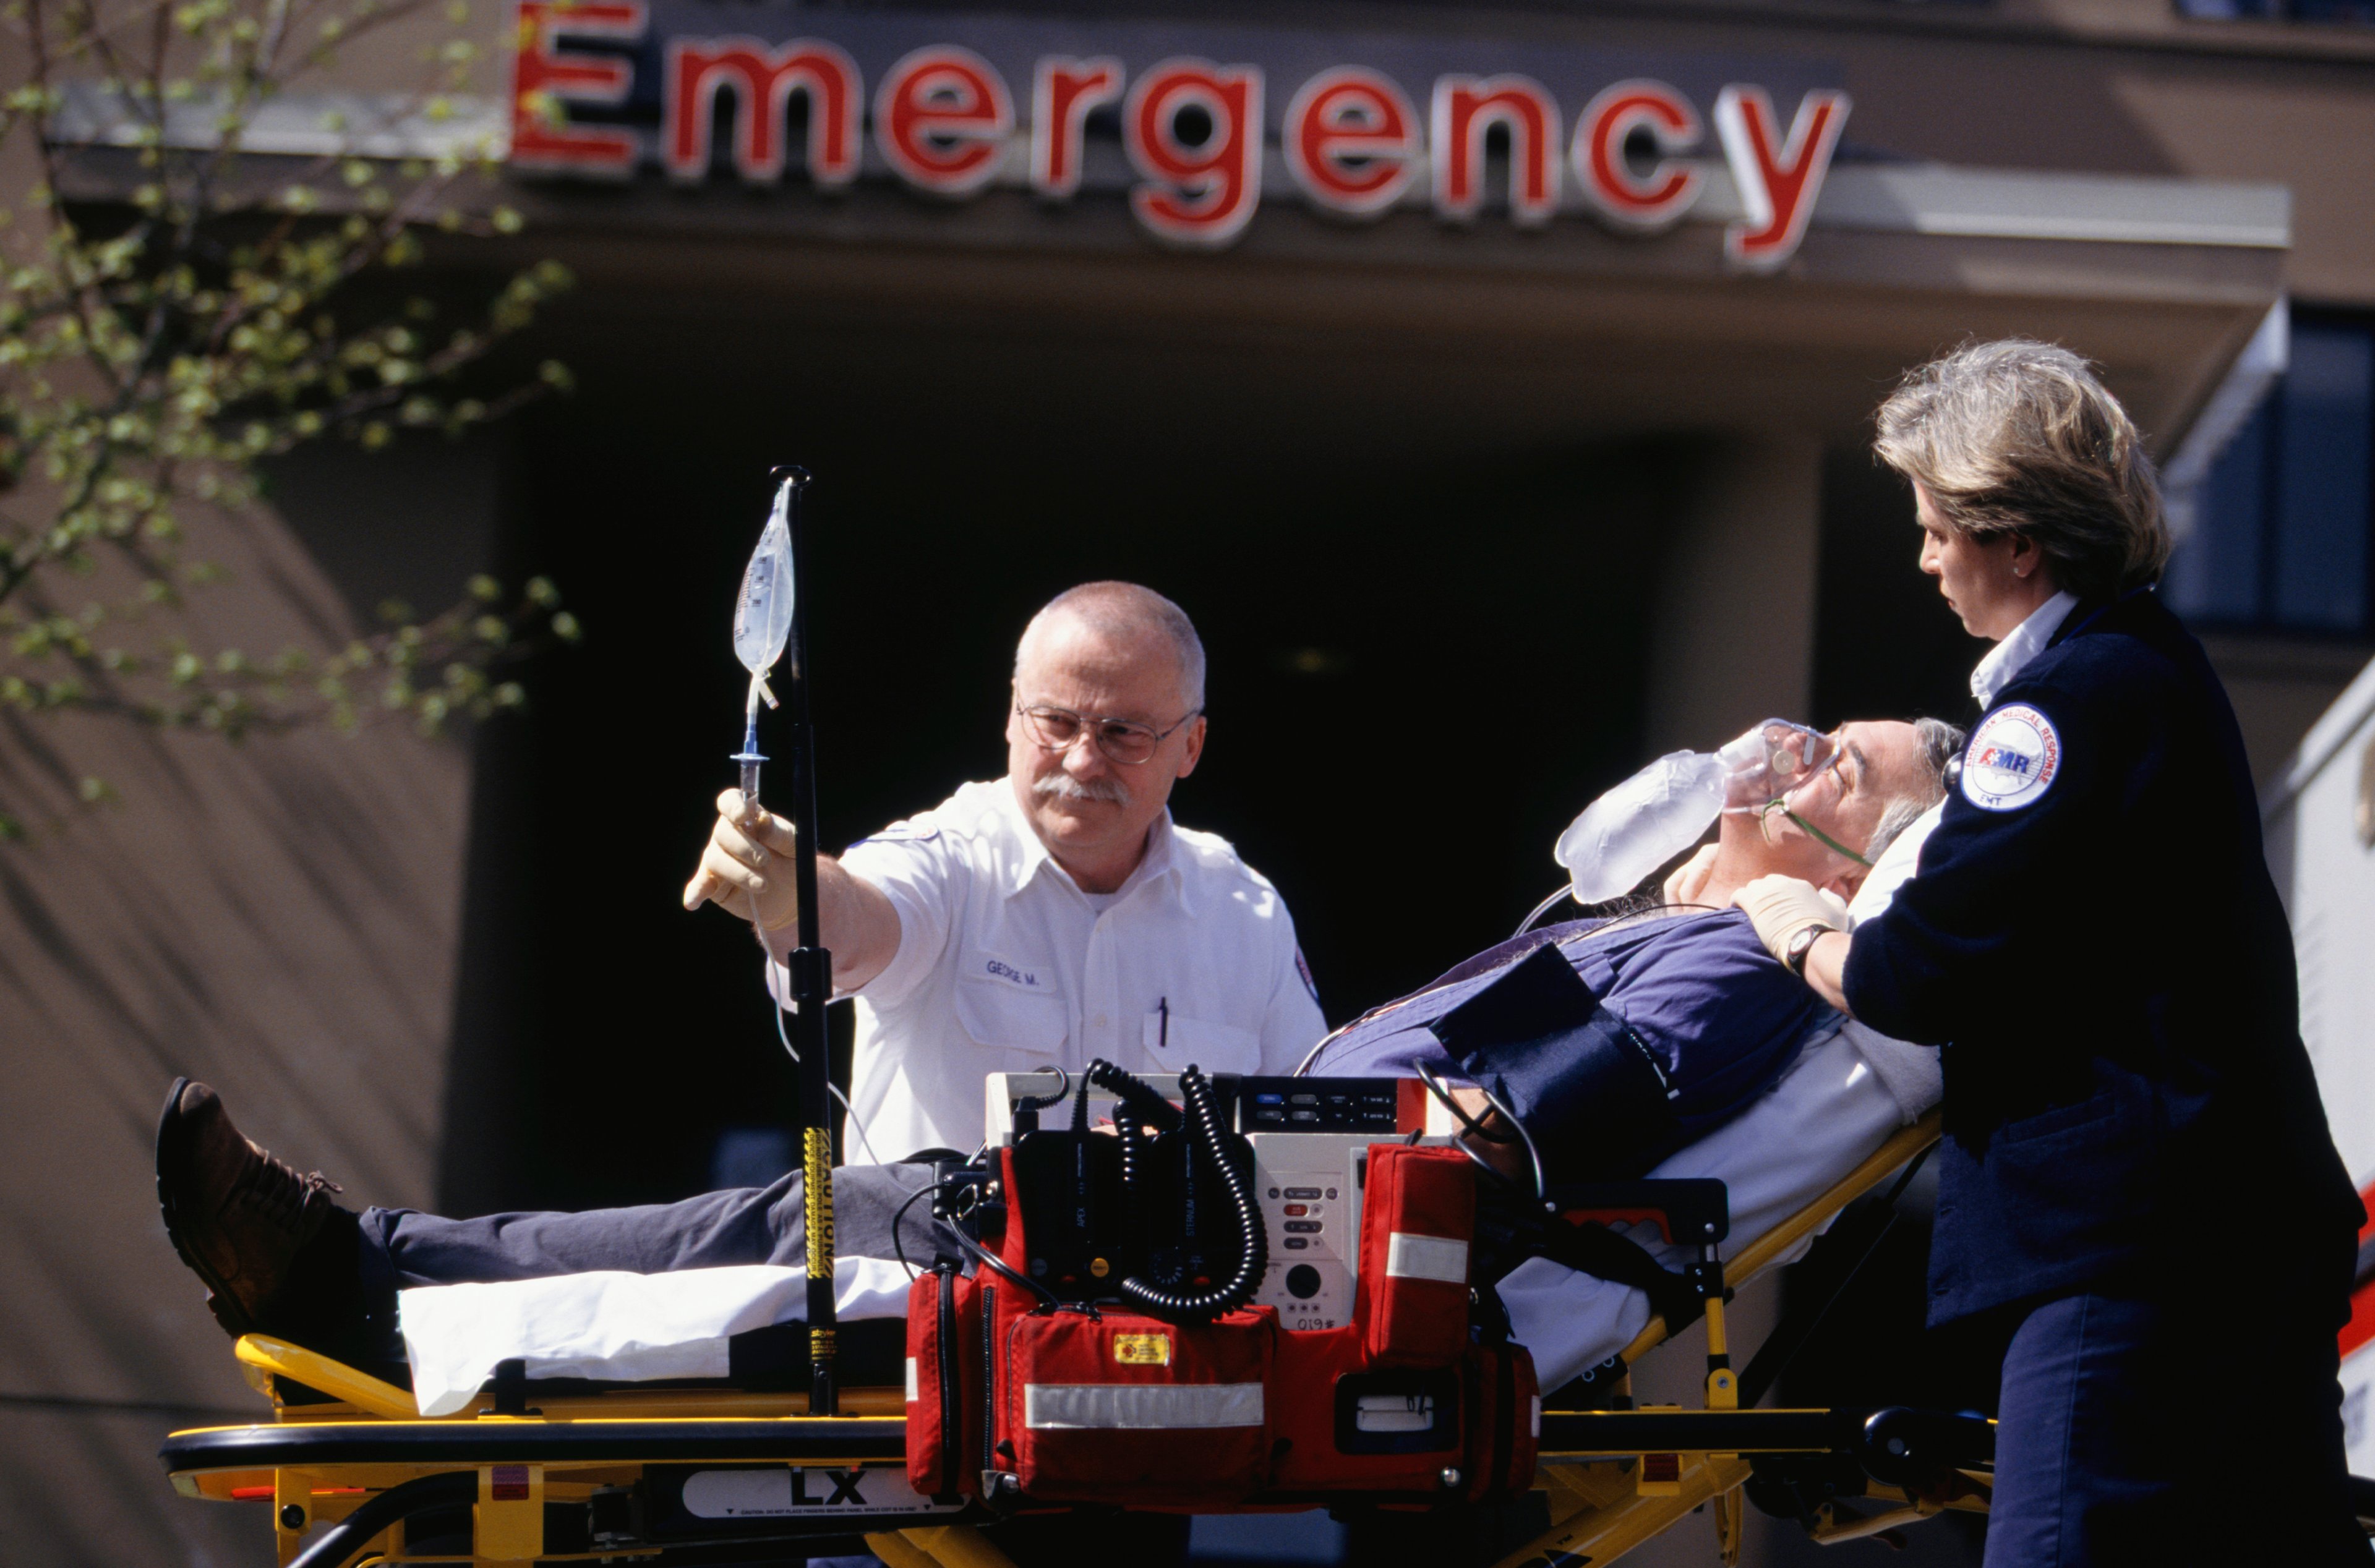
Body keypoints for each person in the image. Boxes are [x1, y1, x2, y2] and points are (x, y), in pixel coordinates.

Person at [1731, 341, 2369, 1566]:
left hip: (2134, 1254)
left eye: (1934, 527)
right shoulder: (2148, 673)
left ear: (2016, 538)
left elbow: (1907, 971)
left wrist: (1787, 916)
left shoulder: (2064, 707)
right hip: (2230, 1238)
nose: (1923, 559)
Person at [1303, 717, 1961, 1389]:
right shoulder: (1665, 930)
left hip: (1331, 1227)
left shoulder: (1741, 967)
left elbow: (1513, 1127)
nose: (1796, 746)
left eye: (1840, 772)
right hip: (1308, 1200)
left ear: (1851, 885)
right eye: (1823, 732)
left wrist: (1299, 1126)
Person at [683, 579, 1327, 1164]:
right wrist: (795, 897)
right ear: (1013, 713)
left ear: (1191, 746)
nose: (1081, 761)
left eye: (1123, 733)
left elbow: (1321, 1126)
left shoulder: (1246, 912)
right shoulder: (945, 858)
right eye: (1056, 721)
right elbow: (857, 923)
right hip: (938, 1286)